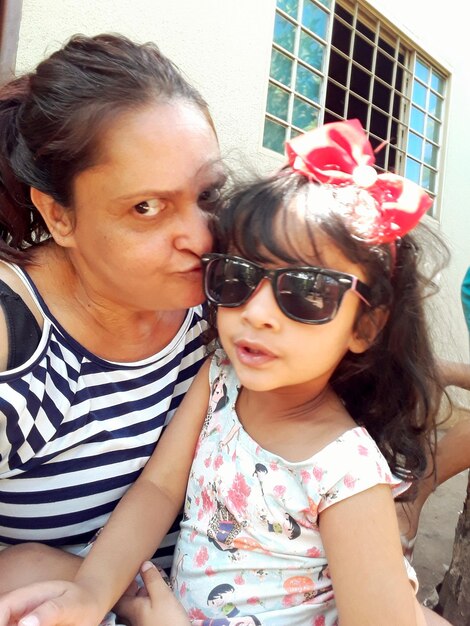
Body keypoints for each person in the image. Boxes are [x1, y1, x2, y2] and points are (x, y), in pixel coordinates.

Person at [0, 120, 451, 626]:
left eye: (304, 291)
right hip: (171, 608)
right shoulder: (220, 378)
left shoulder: (345, 474)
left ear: (365, 326)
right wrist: (90, 593)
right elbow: (158, 489)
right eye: (237, 277)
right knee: (22, 563)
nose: (256, 313)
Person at [0, 30, 224, 604]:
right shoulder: (13, 337)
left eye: (209, 195)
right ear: (59, 215)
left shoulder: (231, 307)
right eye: (146, 208)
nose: (201, 239)